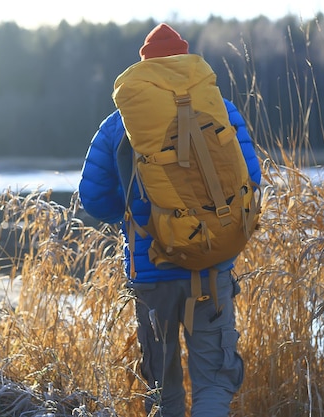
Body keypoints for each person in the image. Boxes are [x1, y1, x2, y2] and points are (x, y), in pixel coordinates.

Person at [78, 23, 261, 417]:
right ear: (186, 62)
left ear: (144, 69)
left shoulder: (118, 124)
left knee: (163, 387)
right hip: (211, 267)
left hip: (152, 272)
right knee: (213, 379)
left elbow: (92, 198)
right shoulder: (222, 110)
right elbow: (252, 181)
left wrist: (133, 216)